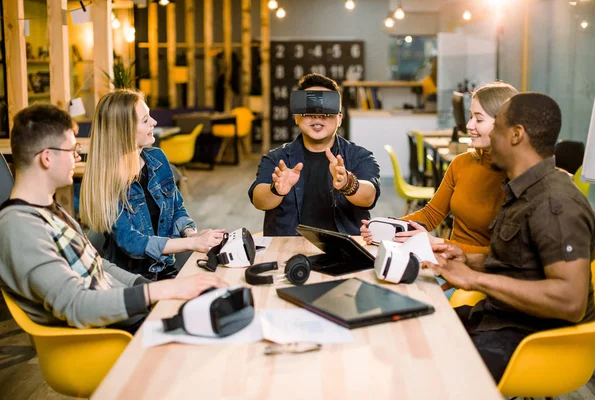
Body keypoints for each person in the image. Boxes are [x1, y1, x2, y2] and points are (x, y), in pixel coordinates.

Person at [0, 104, 227, 332]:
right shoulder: (20, 227)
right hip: (109, 334)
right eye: (71, 150)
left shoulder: (49, 211)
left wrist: (161, 289)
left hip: (131, 313)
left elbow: (100, 266)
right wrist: (161, 292)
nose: (77, 157)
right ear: (47, 158)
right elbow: (76, 305)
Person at [424, 93, 595, 383]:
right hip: (500, 318)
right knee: (417, 330)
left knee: (436, 375)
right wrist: (467, 259)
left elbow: (570, 301)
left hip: (533, 338)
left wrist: (474, 278)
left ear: (517, 135)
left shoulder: (555, 203)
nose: (489, 136)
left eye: (497, 128)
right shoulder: (521, 191)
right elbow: (518, 265)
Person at [360, 82, 518, 296]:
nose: (469, 125)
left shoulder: (515, 178)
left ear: (503, 124)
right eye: (470, 116)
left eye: (478, 119)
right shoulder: (462, 164)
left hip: (480, 278)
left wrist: (437, 243)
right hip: (444, 263)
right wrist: (387, 227)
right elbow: (431, 214)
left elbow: (502, 256)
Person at [80, 89, 225, 281]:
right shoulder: (108, 182)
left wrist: (190, 234)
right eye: (145, 119)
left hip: (165, 268)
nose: (154, 123)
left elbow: (177, 208)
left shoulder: (157, 159)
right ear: (124, 129)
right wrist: (192, 244)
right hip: (130, 280)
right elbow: (132, 242)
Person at [249, 73, 381, 236]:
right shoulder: (276, 158)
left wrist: (348, 183)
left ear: (339, 118)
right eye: (308, 110)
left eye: (327, 111)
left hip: (345, 252)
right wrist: (276, 190)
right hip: (289, 251)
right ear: (297, 117)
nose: (318, 116)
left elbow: (369, 197)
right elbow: (258, 199)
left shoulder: (360, 157)